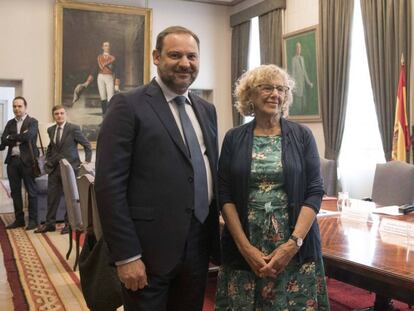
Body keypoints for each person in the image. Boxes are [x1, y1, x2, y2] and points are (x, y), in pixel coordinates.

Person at [95, 26, 220, 311]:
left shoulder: (206, 110)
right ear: (156, 56)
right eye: (175, 55)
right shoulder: (127, 105)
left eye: (192, 56)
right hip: (147, 253)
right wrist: (126, 256)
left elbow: (207, 168)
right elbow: (108, 186)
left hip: (198, 245)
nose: (185, 63)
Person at [215, 64, 330, 310]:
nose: (275, 94)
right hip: (245, 243)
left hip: (294, 244)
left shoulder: (302, 136)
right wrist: (245, 248)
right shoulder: (234, 138)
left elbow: (315, 189)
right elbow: (223, 193)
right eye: (266, 88)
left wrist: (293, 244)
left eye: (281, 89)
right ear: (250, 95)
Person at [34, 105, 92, 234]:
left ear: (65, 114)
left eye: (61, 113)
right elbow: (52, 147)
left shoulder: (73, 128)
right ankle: (49, 224)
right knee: (52, 197)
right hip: (54, 168)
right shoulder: (50, 130)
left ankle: (69, 225)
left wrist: (86, 161)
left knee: (69, 198)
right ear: (53, 116)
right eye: (56, 114)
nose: (59, 116)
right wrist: (48, 159)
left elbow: (87, 145)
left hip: (70, 168)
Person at [0, 96, 39, 230]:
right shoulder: (10, 123)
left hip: (28, 162)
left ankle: (34, 220)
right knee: (15, 192)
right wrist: (15, 139)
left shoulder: (32, 122)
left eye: (19, 106)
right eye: (14, 106)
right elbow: (3, 140)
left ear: (25, 107)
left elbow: (29, 136)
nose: (17, 109)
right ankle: (19, 220)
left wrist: (11, 137)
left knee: (32, 191)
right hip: (12, 162)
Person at [80, 41, 120, 116]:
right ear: (102, 47)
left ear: (110, 47)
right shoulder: (99, 58)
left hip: (109, 77)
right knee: (103, 97)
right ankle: (104, 116)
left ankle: (109, 116)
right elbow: (94, 70)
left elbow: (117, 71)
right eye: (105, 45)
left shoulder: (113, 58)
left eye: (108, 46)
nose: (106, 47)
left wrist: (116, 84)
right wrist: (87, 82)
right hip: (100, 77)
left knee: (110, 97)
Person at [291, 42, 313, 114]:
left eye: (300, 47)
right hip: (298, 85)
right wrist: (293, 86)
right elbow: (293, 73)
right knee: (298, 106)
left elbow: (304, 72)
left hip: (303, 85)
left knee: (304, 104)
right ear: (295, 49)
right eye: (297, 47)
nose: (298, 49)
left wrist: (309, 83)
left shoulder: (302, 58)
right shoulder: (294, 59)